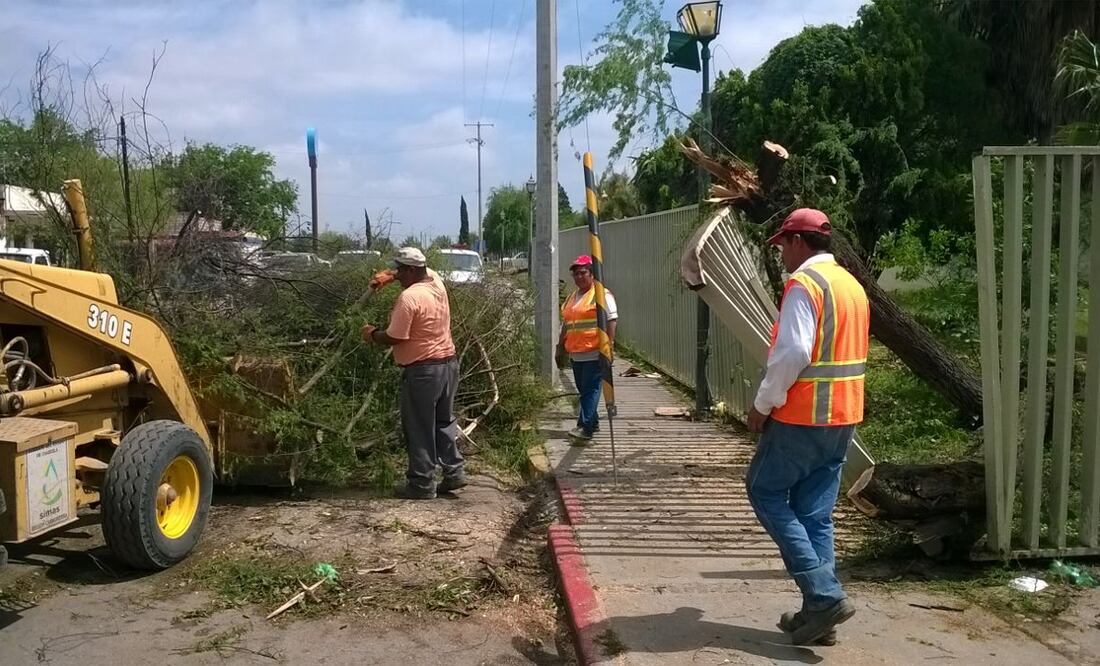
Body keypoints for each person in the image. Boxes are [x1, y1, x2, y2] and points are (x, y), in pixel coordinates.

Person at [744, 208, 869, 646]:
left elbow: (794, 352)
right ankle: (821, 617)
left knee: (764, 490)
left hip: (803, 416)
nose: (780, 254)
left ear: (798, 242)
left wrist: (763, 403)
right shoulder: (851, 285)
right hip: (844, 416)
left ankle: (823, 592)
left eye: (781, 245)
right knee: (816, 515)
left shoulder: (804, 285)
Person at [362, 247, 465, 499]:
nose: (398, 274)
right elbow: (422, 269)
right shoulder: (435, 282)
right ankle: (454, 473)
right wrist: (392, 275)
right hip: (448, 365)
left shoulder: (409, 298)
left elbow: (396, 336)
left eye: (400, 270)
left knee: (418, 426)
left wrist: (372, 334)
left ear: (410, 270)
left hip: (423, 371)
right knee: (443, 422)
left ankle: (421, 483)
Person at [557, 254, 617, 441]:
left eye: (583, 273)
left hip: (594, 351)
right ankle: (593, 421)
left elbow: (612, 319)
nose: (579, 277)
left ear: (592, 274)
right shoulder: (572, 297)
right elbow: (566, 324)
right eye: (575, 274)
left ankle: (585, 427)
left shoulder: (601, 295)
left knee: (591, 390)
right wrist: (560, 347)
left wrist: (608, 347)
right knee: (584, 390)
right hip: (577, 353)